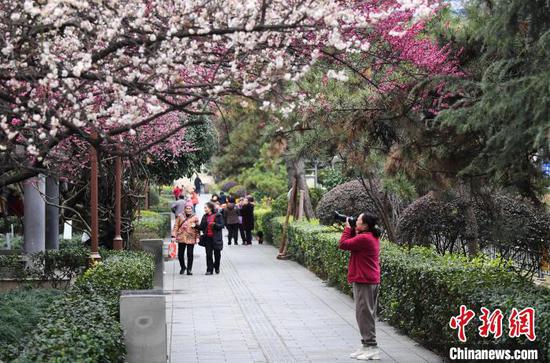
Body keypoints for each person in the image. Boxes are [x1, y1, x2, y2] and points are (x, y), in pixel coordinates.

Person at [339, 213, 381, 361]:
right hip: (367, 280)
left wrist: (346, 228)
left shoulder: (364, 238)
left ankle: (372, 347)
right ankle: (366, 345)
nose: (355, 222)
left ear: (365, 225)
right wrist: (352, 229)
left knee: (365, 314)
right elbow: (352, 241)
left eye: (358, 220)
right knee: (363, 314)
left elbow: (343, 244)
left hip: (365, 281)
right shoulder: (369, 236)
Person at [171, 203, 199, 275]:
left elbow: (198, 228)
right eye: (187, 208)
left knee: (190, 254)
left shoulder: (195, 217)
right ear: (184, 209)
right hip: (181, 237)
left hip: (191, 237)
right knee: (180, 254)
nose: (188, 210)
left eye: (190, 208)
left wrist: (198, 237)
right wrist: (173, 236)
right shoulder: (180, 216)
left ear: (192, 209)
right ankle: (183, 267)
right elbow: (176, 226)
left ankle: (189, 269)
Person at [199, 202, 224, 275]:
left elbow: (221, 225)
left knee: (217, 254)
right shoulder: (205, 216)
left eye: (206, 208)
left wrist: (214, 224)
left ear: (210, 208)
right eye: (204, 208)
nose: (205, 209)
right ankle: (209, 269)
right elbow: (201, 227)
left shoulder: (218, 215)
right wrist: (195, 225)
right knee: (208, 254)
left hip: (216, 238)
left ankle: (216, 267)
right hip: (208, 238)